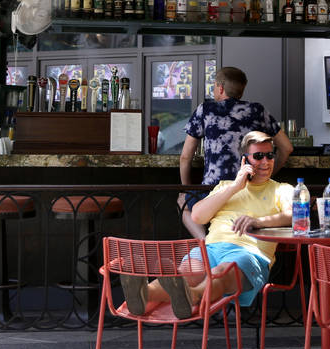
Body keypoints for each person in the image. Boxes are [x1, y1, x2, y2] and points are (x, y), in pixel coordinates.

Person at [121, 131, 293, 318]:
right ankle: (143, 293)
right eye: (258, 156)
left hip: (249, 251)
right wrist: (235, 187)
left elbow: (296, 215)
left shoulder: (282, 189)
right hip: (211, 248)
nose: (266, 162)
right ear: (245, 160)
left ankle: (191, 296)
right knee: (185, 272)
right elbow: (198, 216)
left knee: (220, 272)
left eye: (270, 155)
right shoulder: (225, 186)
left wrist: (258, 222)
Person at [179, 66, 293, 238]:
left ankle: (204, 243)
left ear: (221, 88)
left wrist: (187, 189)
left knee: (183, 203)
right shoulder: (257, 110)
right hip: (250, 188)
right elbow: (287, 148)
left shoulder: (206, 110)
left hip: (213, 190)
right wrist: (265, 173)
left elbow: (186, 157)